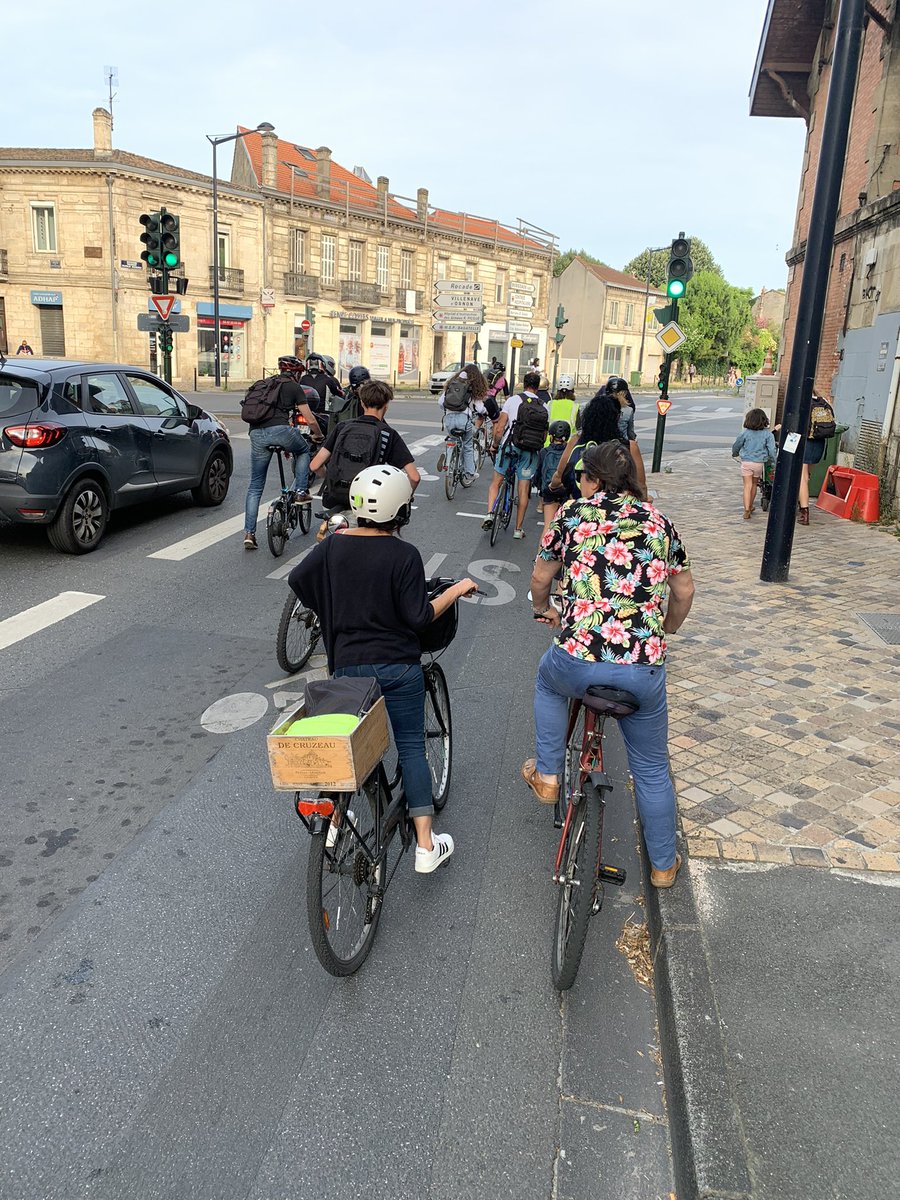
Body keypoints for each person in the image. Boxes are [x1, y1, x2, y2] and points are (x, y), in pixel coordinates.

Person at [288, 464, 477, 873]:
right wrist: (458, 589)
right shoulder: (404, 554)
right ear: (401, 512)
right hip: (399, 668)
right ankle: (426, 846)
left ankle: (337, 823)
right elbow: (419, 616)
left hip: (349, 670)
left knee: (350, 747)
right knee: (410, 746)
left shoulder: (332, 547)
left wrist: (333, 611)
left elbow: (299, 580)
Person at [524, 440, 695, 888]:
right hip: (643, 669)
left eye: (583, 476)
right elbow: (684, 593)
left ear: (594, 480)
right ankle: (662, 867)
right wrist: (666, 631)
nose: (580, 483)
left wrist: (544, 608)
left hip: (577, 658)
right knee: (652, 768)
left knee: (547, 682)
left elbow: (541, 578)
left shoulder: (572, 516)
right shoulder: (660, 523)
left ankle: (547, 774)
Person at [310, 379, 420, 538]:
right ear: (386, 405)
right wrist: (406, 496)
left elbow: (315, 465)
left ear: (362, 403)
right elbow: (414, 477)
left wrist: (331, 478)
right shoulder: (388, 434)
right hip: (367, 503)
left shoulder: (342, 427)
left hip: (336, 498)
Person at [242, 355, 324, 550]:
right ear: (296, 373)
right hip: (280, 432)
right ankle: (301, 492)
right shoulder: (294, 387)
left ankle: (249, 534)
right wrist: (318, 435)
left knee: (255, 486)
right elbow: (310, 420)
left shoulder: (263, 384)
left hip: (256, 434)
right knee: (303, 450)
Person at [482, 370, 547, 539]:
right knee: (523, 490)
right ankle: (518, 529)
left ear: (524, 384)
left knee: (496, 482)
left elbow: (500, 427)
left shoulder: (512, 401)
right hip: (530, 452)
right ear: (537, 387)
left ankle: (490, 513)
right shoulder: (543, 405)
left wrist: (495, 446)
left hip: (510, 447)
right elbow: (544, 435)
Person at [550, 392, 646, 495]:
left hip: (581, 504)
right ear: (616, 418)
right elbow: (641, 486)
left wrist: (551, 487)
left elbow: (559, 475)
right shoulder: (630, 447)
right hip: (616, 506)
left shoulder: (576, 441)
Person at [440, 366, 488, 487]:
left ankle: (447, 457)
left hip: (449, 419)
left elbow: (441, 403)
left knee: (453, 440)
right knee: (467, 446)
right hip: (463, 420)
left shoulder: (452, 383)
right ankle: (470, 473)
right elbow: (480, 408)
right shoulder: (472, 388)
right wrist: (484, 412)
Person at [798, 392, 837, 525]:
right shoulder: (823, 402)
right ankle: (801, 501)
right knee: (807, 476)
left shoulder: (804, 403)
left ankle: (804, 512)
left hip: (806, 442)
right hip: (819, 443)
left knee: (801, 478)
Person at [732, 408, 776, 519]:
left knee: (747, 485)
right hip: (759, 463)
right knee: (754, 485)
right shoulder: (768, 435)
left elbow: (736, 445)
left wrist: (735, 453)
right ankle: (751, 505)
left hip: (746, 462)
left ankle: (746, 509)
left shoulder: (744, 433)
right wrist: (774, 460)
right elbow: (772, 450)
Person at [536, 420, 571, 535]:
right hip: (566, 492)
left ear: (551, 436)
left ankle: (541, 552)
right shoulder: (570, 453)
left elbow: (539, 474)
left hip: (549, 492)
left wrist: (541, 490)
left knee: (547, 526)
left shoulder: (544, 452)